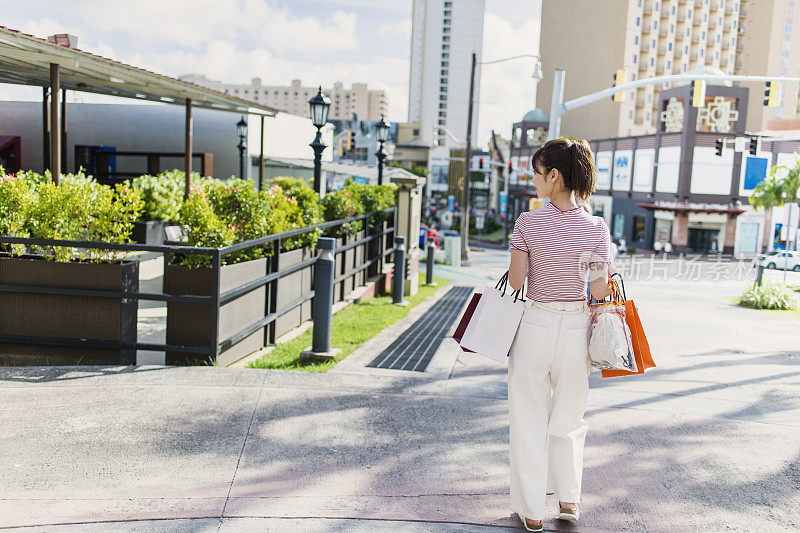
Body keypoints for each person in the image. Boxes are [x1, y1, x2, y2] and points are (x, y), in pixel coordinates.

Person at [507, 138, 614, 532]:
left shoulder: (527, 223)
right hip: (575, 329)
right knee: (569, 419)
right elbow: (600, 291)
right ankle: (568, 501)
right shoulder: (596, 227)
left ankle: (533, 510)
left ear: (553, 176)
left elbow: (517, 282)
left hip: (535, 324)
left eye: (537, 174)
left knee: (528, 418)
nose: (533, 181)